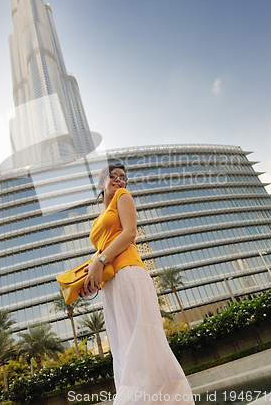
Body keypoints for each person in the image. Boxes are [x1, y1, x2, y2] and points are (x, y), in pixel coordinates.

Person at [81, 164, 194, 405]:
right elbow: (103, 249)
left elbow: (130, 233)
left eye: (123, 177)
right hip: (111, 284)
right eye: (113, 176)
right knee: (123, 348)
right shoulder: (100, 218)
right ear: (102, 181)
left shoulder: (123, 197)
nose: (119, 180)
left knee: (142, 343)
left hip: (129, 274)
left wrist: (100, 260)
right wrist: (92, 271)